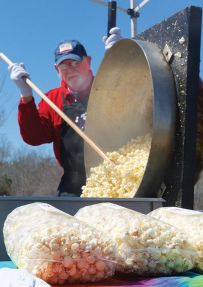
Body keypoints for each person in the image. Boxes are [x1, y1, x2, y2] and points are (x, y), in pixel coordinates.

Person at [8, 27, 122, 196]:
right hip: (73, 186)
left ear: (89, 61)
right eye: (64, 66)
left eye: (76, 63)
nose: (71, 69)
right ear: (57, 70)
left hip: (117, 177)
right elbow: (34, 137)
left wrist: (121, 61)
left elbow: (137, 100)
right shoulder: (51, 100)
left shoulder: (109, 87)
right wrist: (26, 96)